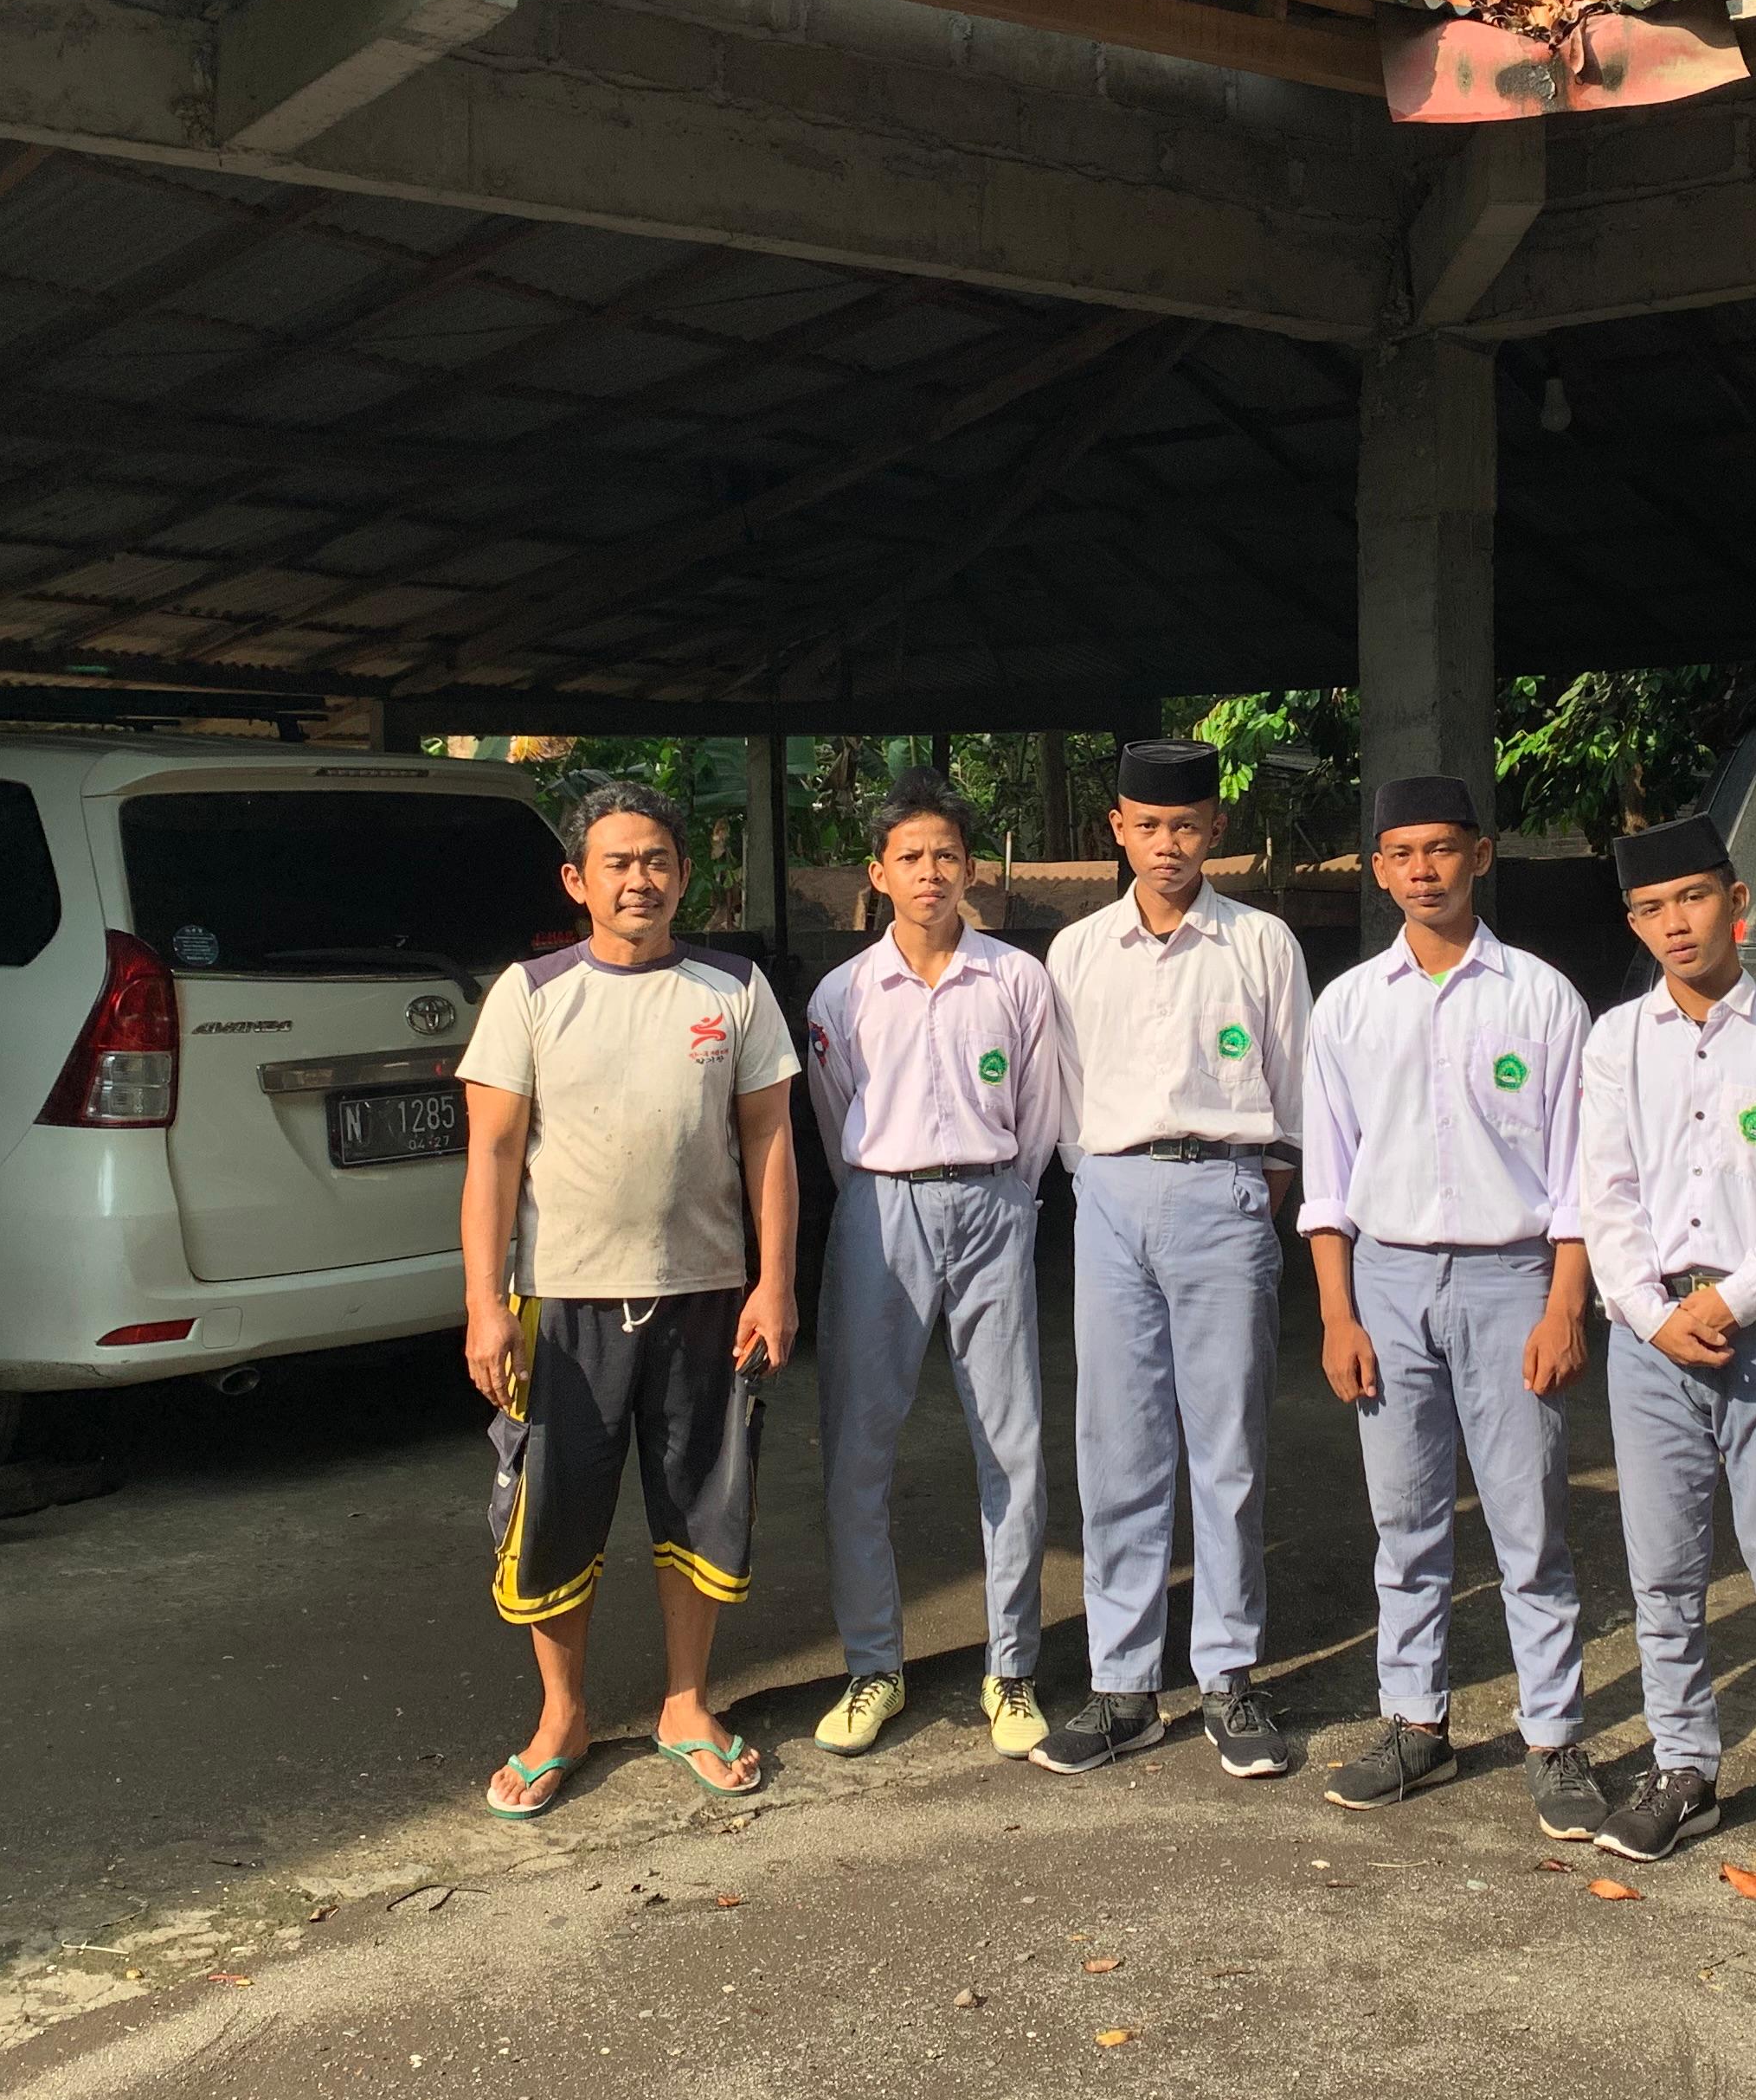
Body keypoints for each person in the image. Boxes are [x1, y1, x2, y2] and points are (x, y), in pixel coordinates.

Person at [458, 778, 801, 1817]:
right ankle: (561, 1717)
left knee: (699, 1501)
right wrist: (483, 1304)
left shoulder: (734, 989)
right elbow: (493, 1158)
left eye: (656, 860)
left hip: (704, 1296)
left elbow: (770, 1144)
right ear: (578, 881)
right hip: (561, 1302)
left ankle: (687, 1704)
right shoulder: (530, 993)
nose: (639, 879)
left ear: (684, 874)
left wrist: (775, 1282)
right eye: (617, 862)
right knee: (555, 1510)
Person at [1301, 774, 1605, 1838]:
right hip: (1385, 1282)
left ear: (1482, 855)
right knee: (1407, 1522)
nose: (1422, 869)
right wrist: (1337, 1316)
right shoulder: (1346, 1007)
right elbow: (1327, 1185)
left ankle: (1556, 1737)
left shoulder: (1540, 997)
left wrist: (1566, 1307)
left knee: (1530, 1526)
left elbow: (1579, 1179)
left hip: (1510, 1276)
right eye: (1401, 853)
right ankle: (1415, 1723)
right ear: (1378, 869)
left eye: (1442, 848)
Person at [1576, 812, 1756, 1884]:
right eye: (1651, 909)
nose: (1675, 924)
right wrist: (1654, 1315)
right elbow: (1601, 1195)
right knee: (1661, 1572)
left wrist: (1735, 1301)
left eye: (1692, 898)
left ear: (1736, 900)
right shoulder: (1616, 1041)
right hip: (1650, 1338)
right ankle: (1684, 1768)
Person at [1035, 736, 1314, 1778]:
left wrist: (1254, 1197)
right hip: (1108, 1192)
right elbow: (1060, 1091)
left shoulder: (1260, 945)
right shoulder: (1079, 952)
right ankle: (1123, 1683)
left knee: (1226, 1444)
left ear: (1216, 833)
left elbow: (1294, 1091)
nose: (1167, 845)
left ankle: (1230, 1676)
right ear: (1117, 827)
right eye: (1148, 826)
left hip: (1226, 1191)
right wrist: (1096, 1181)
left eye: (1186, 827)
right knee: (1117, 1440)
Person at [802, 768, 1071, 1761]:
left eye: (946, 855)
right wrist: (888, 1192)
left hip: (996, 1200)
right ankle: (875, 1664)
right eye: (909, 857)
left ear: (973, 871)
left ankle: (1012, 1670)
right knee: (859, 1445)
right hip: (881, 1210)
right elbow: (839, 1124)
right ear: (878, 874)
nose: (929, 873)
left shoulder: (1016, 980)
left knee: (1011, 1441)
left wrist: (1005, 1192)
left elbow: (1040, 1115)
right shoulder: (844, 994)